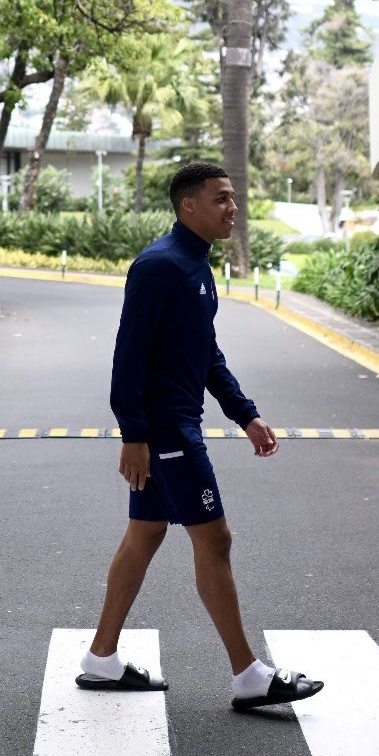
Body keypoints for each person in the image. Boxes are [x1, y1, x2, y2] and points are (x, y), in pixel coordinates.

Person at [76, 161, 324, 709]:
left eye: (233, 198)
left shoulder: (196, 266)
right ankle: (248, 674)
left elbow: (205, 354)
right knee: (215, 540)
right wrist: (133, 434)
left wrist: (245, 414)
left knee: (146, 535)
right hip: (167, 432)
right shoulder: (161, 266)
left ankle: (100, 659)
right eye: (221, 199)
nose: (232, 207)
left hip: (174, 426)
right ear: (189, 205)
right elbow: (128, 355)